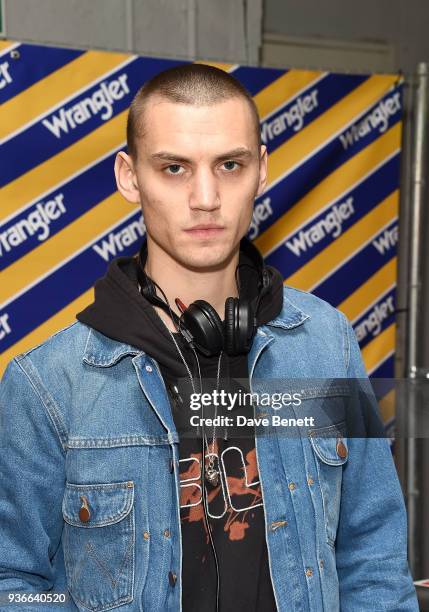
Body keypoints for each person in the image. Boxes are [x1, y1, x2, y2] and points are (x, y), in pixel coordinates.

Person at [0, 63, 418, 612]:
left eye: (229, 165)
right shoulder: (49, 383)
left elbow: (373, 556)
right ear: (129, 177)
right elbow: (14, 583)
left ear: (262, 170)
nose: (205, 197)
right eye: (174, 168)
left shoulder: (324, 343)